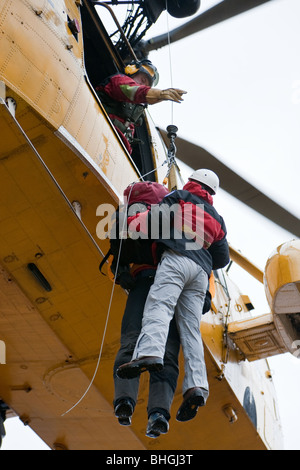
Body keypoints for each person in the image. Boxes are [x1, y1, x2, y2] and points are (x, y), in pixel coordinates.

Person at [117, 169, 230, 423]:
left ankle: (150, 352)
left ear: (192, 182)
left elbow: (151, 221)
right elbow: (222, 258)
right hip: (200, 274)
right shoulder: (217, 218)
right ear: (211, 192)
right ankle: (197, 385)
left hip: (176, 261)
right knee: (190, 331)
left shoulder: (180, 196)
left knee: (159, 306)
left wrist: (132, 221)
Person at [96, 59, 186, 154]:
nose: (143, 85)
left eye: (147, 85)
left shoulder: (135, 110)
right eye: (143, 80)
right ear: (132, 70)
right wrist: (159, 94)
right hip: (100, 131)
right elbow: (133, 90)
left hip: (114, 149)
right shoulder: (118, 81)